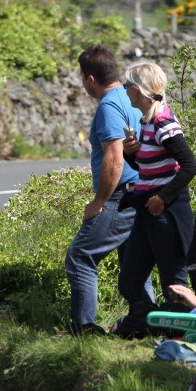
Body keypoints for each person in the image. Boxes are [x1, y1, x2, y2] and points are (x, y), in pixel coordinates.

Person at [112, 61, 196, 338]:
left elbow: (189, 165)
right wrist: (130, 154)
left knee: (174, 284)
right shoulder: (145, 121)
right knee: (129, 280)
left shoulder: (163, 122)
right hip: (148, 210)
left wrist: (162, 197)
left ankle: (178, 339)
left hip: (167, 212)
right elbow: (147, 169)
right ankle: (145, 322)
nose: (125, 91)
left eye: (126, 87)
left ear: (137, 91)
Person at [64, 45, 144, 336]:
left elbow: (114, 160)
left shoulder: (109, 106)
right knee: (133, 265)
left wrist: (98, 202)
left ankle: (83, 329)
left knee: (80, 255)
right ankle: (143, 323)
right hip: (140, 192)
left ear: (89, 79)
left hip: (121, 196)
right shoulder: (129, 96)